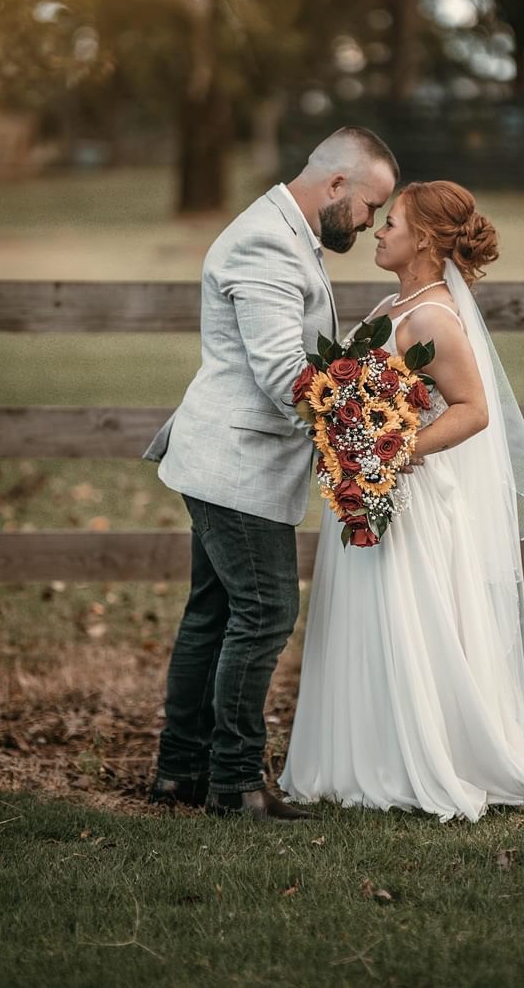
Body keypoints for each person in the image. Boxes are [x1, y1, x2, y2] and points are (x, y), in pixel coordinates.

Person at [280, 180, 524, 821]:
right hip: (369, 488)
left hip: (407, 498)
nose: (378, 231)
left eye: (391, 223)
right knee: (365, 620)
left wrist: (392, 452)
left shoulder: (433, 318)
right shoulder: (395, 303)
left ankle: (410, 756)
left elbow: (473, 410)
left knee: (405, 623)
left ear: (422, 239)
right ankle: (358, 755)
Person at [143, 127, 398, 822]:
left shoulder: (287, 233)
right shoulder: (266, 243)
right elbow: (285, 374)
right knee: (265, 612)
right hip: (236, 465)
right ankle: (233, 782)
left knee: (214, 613)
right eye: (370, 205)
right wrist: (361, 436)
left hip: (226, 459)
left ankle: (180, 772)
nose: (370, 222)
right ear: (336, 184)